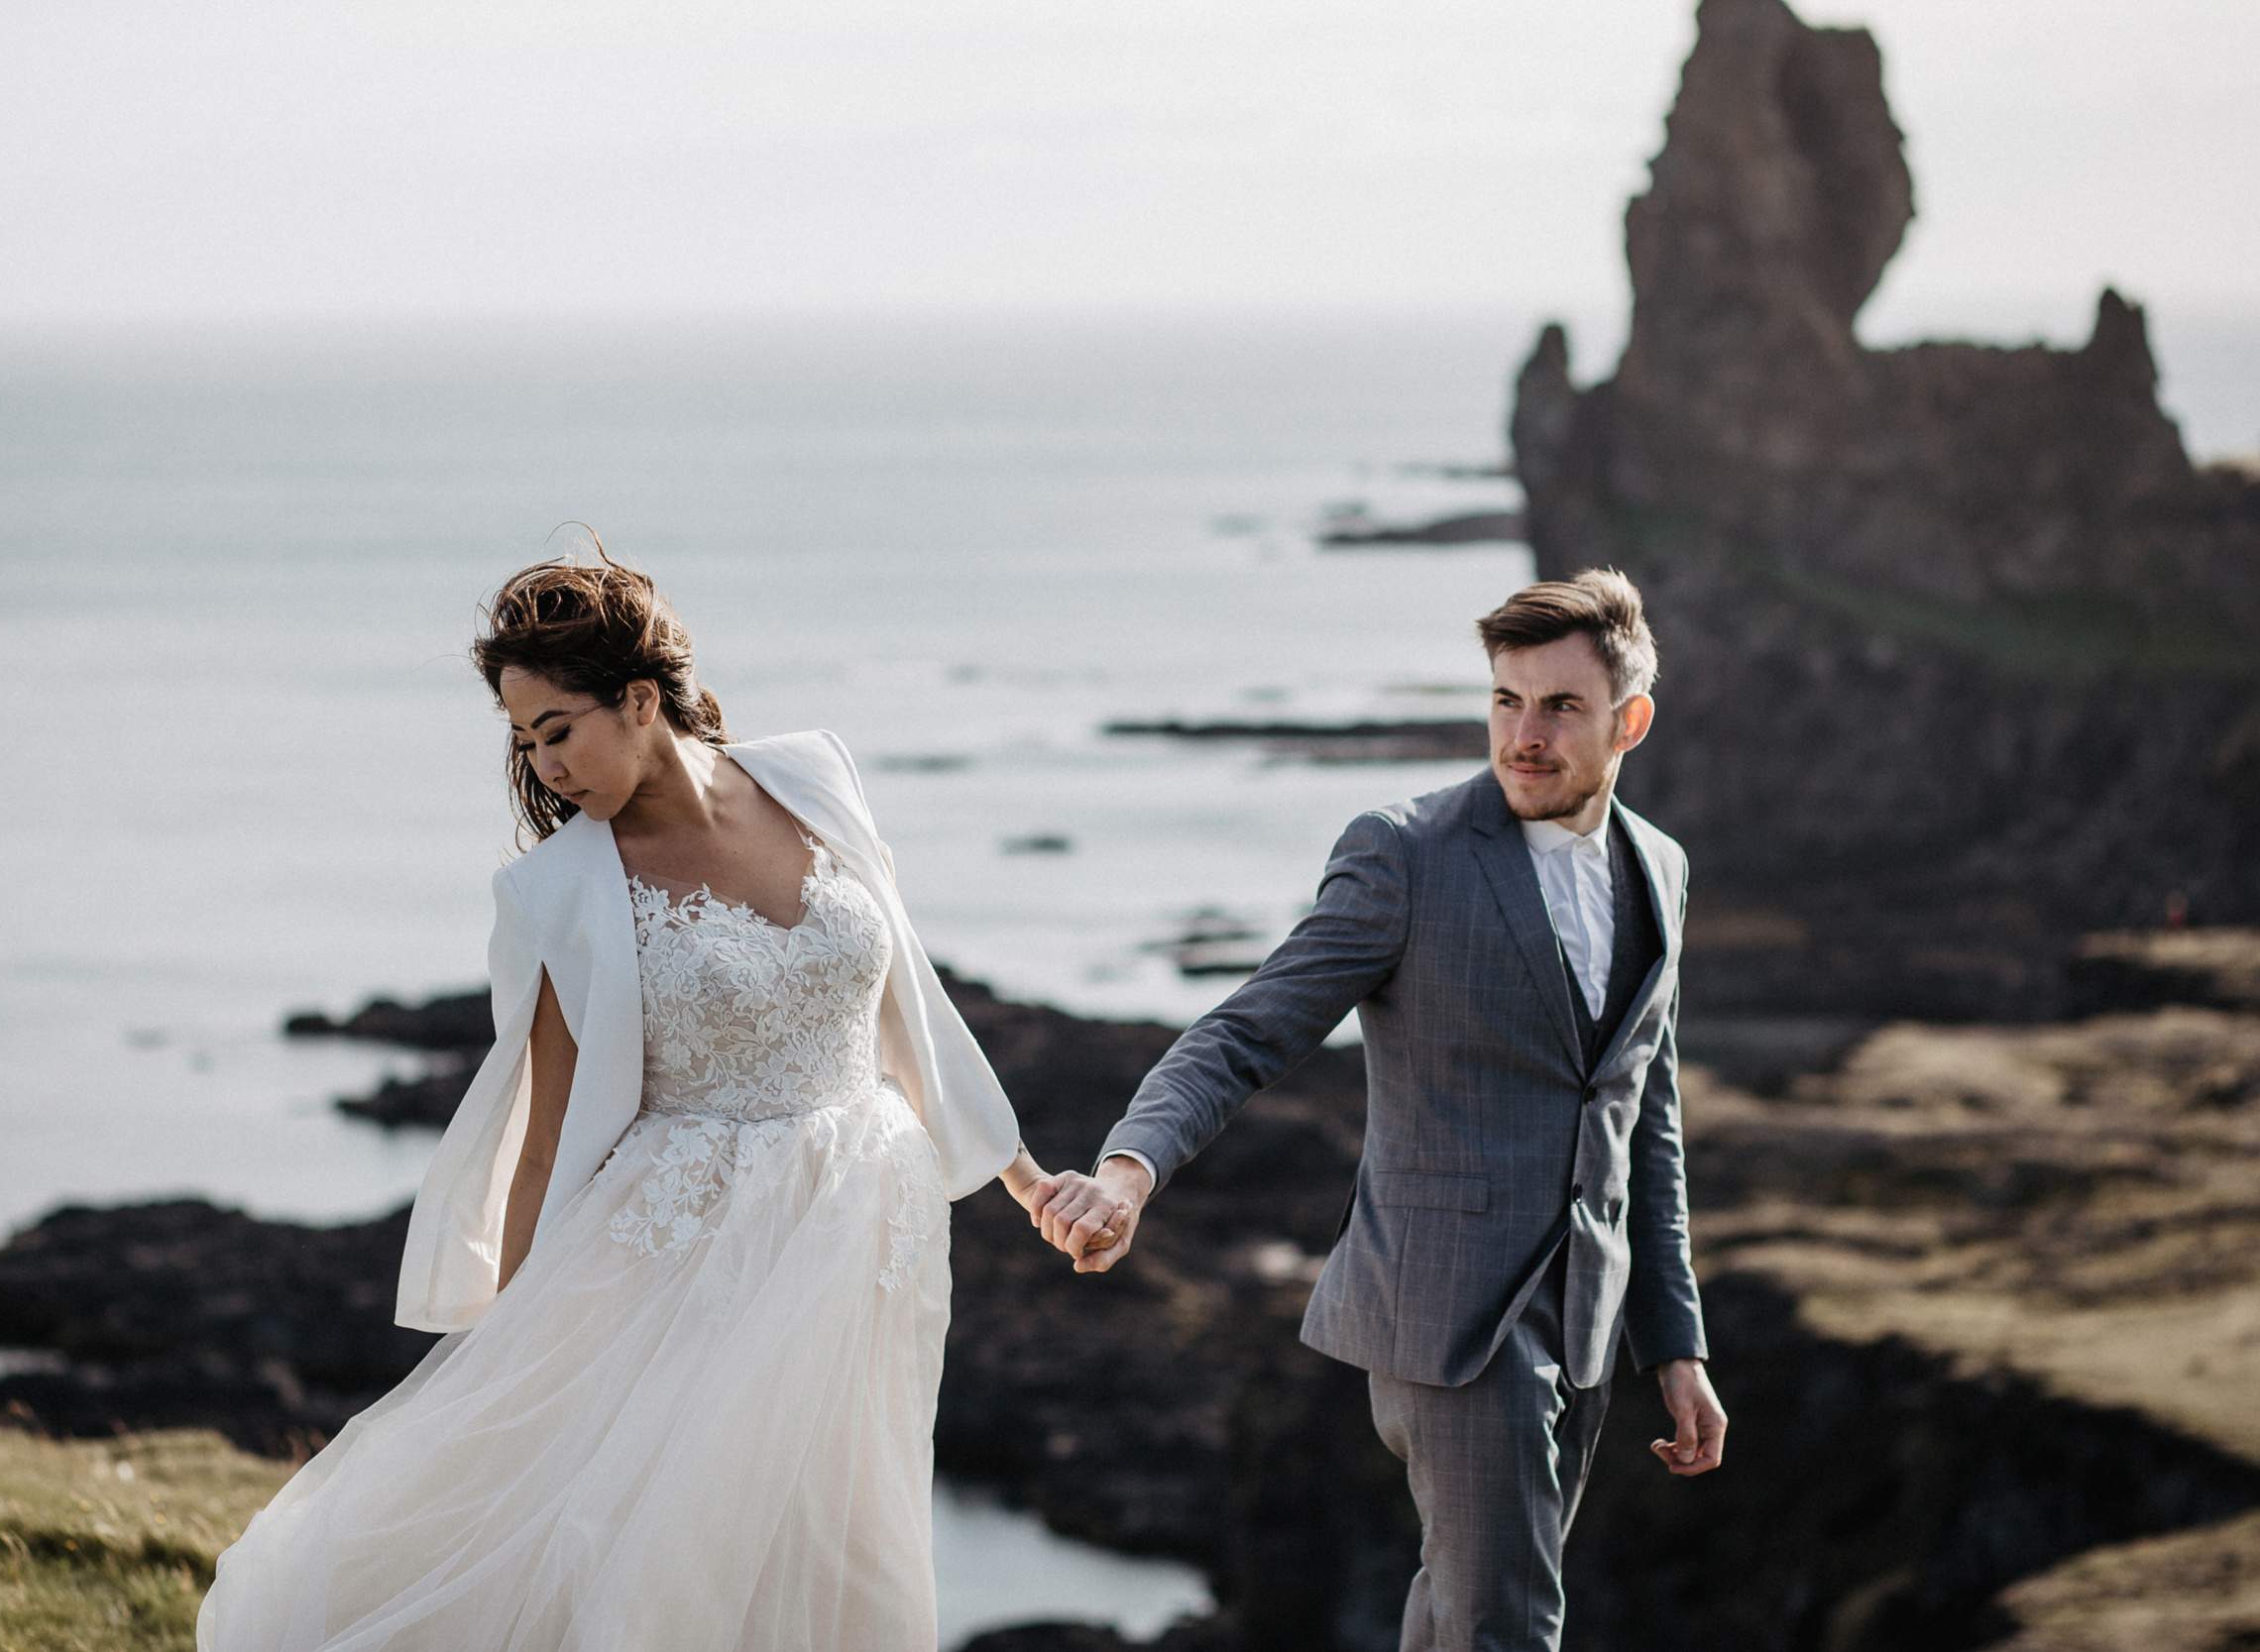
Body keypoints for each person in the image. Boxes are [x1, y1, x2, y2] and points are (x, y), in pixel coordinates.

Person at [199, 549, 1064, 1651]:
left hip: (867, 1225)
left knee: (847, 1532)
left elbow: (910, 1000)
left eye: (558, 727)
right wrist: (510, 1349)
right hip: (690, 1249)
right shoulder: (560, 890)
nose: (543, 762)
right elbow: (542, 1131)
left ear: (640, 699)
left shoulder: (815, 776)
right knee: (669, 1563)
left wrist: (1023, 1176)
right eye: (524, 741)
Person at [1031, 569, 1728, 1652]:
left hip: (1586, 1311)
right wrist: (1130, 1167)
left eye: (1560, 706)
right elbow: (1247, 1027)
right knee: (1505, 1621)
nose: (1523, 733)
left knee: (1451, 1608)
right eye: (1505, 699)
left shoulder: (1662, 868)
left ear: (1629, 720)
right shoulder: (1404, 854)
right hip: (1447, 1312)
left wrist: (1673, 1338)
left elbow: (1647, 1115)